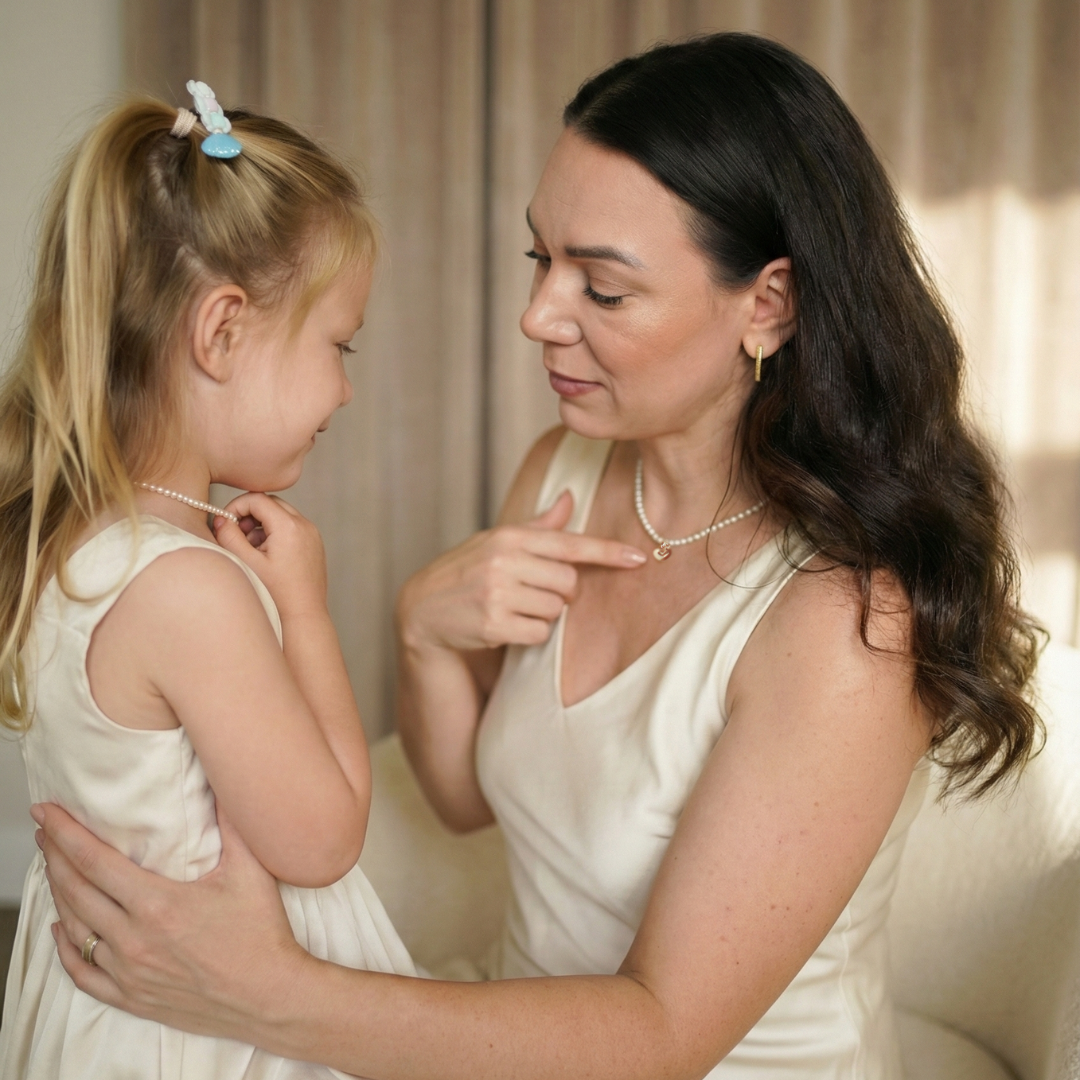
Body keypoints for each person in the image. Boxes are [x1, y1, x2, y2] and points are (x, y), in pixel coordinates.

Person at [35, 33, 1042, 1079]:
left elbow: (663, 1036)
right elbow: (470, 803)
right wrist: (424, 640)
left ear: (769, 305)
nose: (537, 317)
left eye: (601, 288)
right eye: (539, 260)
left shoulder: (848, 626)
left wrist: (266, 992)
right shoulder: (565, 474)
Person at [0, 86, 419, 1079]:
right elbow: (322, 839)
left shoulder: (76, 547)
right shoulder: (188, 588)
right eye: (339, 344)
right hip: (210, 1035)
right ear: (222, 330)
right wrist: (307, 614)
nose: (345, 388)